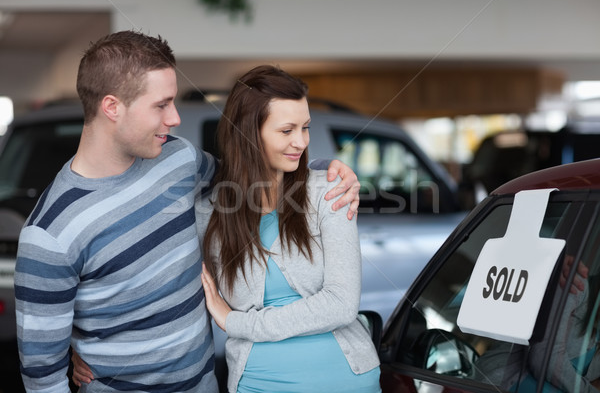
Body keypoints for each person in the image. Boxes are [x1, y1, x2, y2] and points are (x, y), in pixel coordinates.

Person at [15, 31, 360, 393]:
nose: (175, 118)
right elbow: (44, 380)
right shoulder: (50, 233)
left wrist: (322, 171)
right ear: (112, 107)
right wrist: (69, 345)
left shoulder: (177, 158)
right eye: (161, 105)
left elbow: (249, 172)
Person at [199, 65, 381, 393]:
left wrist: (235, 322)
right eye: (287, 131)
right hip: (259, 384)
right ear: (248, 133)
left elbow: (341, 304)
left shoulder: (330, 191)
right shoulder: (211, 213)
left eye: (306, 127)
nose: (301, 142)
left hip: (346, 380)